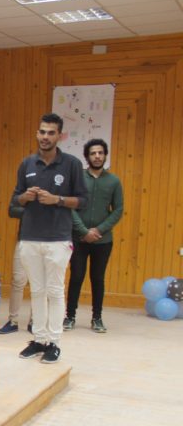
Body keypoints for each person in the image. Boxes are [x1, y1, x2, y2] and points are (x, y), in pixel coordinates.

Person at [10, 112, 87, 364]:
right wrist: (26, 197)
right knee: (37, 290)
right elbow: (15, 200)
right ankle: (39, 339)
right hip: (30, 237)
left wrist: (58, 200)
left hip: (58, 238)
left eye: (51, 133)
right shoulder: (27, 164)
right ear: (37, 133)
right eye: (42, 132)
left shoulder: (72, 164)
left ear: (59, 136)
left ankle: (54, 342)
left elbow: (83, 201)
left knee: (54, 291)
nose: (45, 136)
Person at [64, 138, 124, 333]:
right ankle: (70, 316)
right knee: (76, 277)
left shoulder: (113, 181)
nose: (97, 156)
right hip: (78, 238)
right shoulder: (78, 178)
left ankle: (97, 318)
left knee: (97, 278)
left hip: (102, 240)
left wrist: (98, 230)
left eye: (100, 153)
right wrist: (83, 231)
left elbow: (118, 210)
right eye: (93, 153)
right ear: (87, 157)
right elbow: (70, 206)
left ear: (105, 155)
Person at [0, 202, 31, 335]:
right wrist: (33, 210)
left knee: (38, 284)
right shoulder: (26, 190)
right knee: (18, 280)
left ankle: (34, 321)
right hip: (24, 239)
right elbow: (12, 210)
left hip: (44, 241)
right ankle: (13, 320)